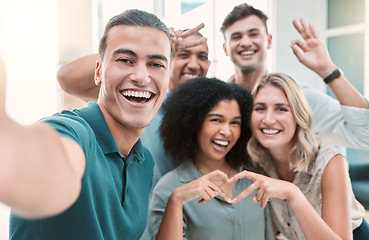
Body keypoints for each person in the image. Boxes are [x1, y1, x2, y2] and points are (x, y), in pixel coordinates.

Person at [1, 9, 173, 239]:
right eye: (125, 60)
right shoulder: (75, 133)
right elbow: (52, 162)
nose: (141, 76)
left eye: (156, 64)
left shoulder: (143, 161)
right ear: (99, 72)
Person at [57, 25, 211, 188]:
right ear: (167, 62)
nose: (194, 64)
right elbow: (67, 77)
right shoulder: (139, 98)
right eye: (184, 55)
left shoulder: (213, 110)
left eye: (202, 57)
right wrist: (148, 46)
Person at [229, 73, 369, 240]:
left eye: (281, 109)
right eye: (260, 108)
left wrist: (292, 193)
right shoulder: (257, 162)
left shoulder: (329, 161)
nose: (268, 119)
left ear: (297, 115)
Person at [221, 3, 369, 149]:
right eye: (236, 37)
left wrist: (328, 70)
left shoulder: (299, 97)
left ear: (269, 40)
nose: (246, 42)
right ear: (225, 48)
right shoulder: (217, 100)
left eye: (253, 34)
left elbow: (366, 135)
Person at [149, 77, 274, 239]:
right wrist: (177, 200)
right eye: (216, 120)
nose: (227, 131)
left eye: (235, 123)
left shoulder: (255, 179)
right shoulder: (169, 189)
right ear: (194, 122)